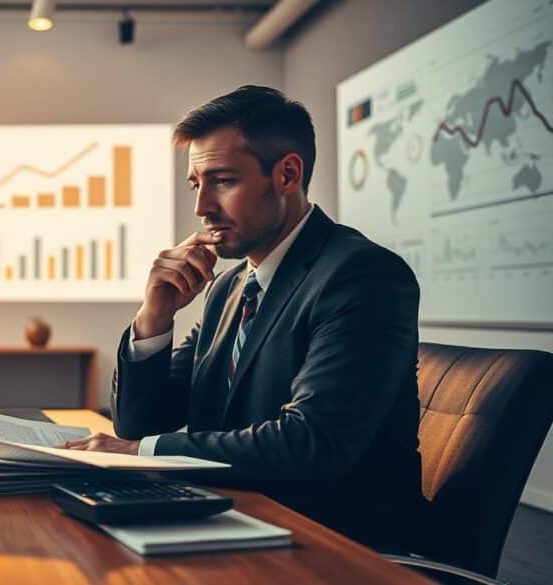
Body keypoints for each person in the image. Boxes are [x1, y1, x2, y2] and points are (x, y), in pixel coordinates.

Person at [62, 86, 422, 548]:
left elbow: (311, 444)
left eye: (223, 181)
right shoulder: (230, 289)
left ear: (287, 174)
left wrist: (138, 455)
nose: (201, 207)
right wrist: (153, 317)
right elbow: (139, 423)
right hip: (234, 514)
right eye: (197, 184)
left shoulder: (362, 275)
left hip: (329, 541)